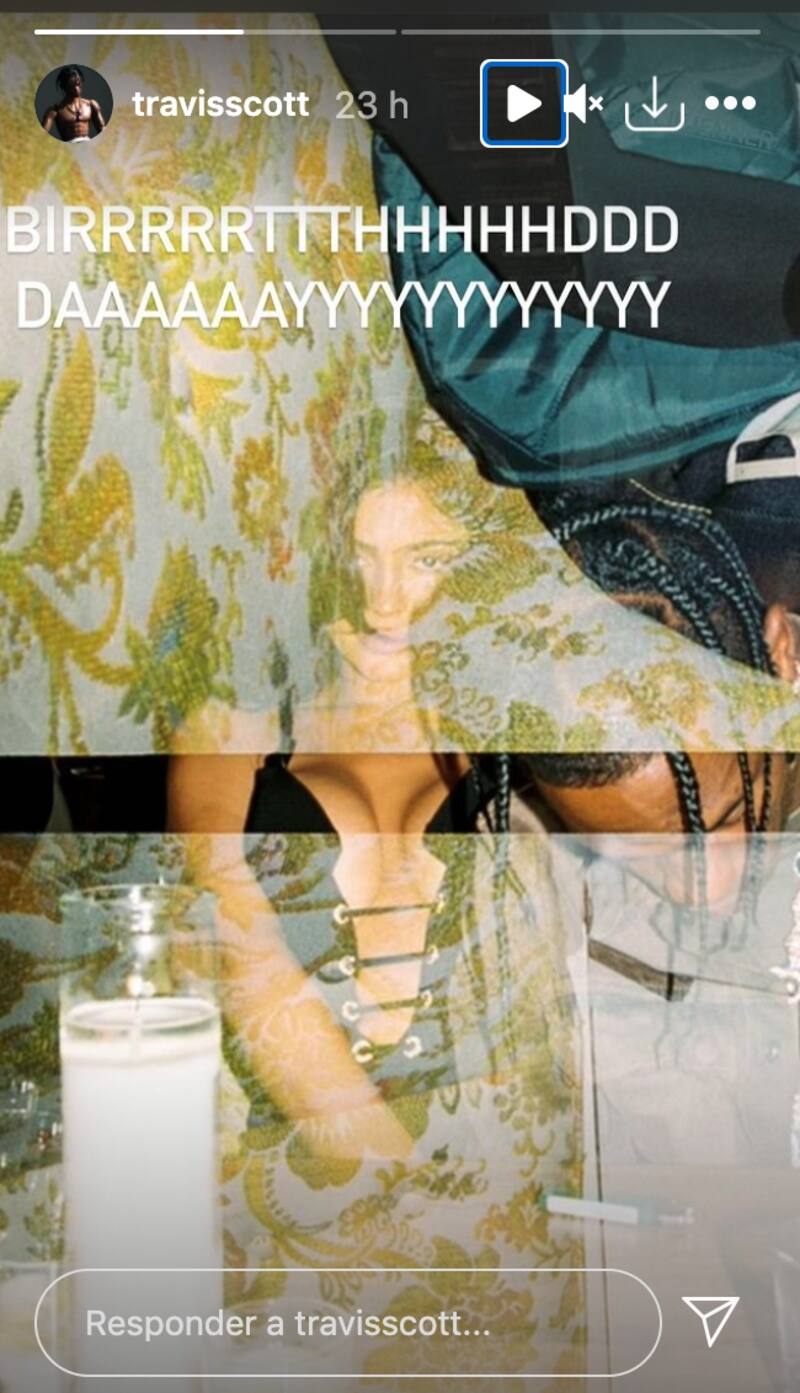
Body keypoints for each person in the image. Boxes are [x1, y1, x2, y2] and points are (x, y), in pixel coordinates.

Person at [42, 67, 105, 142]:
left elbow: (103, 131)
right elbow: (41, 135)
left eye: (78, 84)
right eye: (72, 85)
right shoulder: (55, 110)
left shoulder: (91, 105)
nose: (76, 89)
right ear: (64, 86)